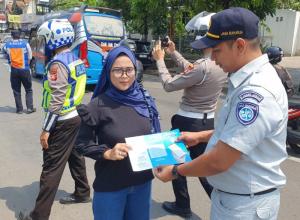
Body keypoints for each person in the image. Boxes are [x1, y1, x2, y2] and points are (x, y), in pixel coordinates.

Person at [155, 7, 288, 220]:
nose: (213, 59)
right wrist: (199, 136)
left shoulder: (255, 92)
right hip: (239, 199)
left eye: (216, 51)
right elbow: (236, 131)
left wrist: (175, 171)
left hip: (243, 205)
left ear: (239, 45)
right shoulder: (245, 78)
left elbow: (219, 161)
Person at [74, 45, 160, 220]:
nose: (124, 76)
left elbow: (155, 135)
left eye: (129, 70)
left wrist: (166, 156)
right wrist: (107, 152)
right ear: (108, 72)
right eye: (118, 70)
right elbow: (81, 143)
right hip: (110, 187)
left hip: (142, 184)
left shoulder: (144, 99)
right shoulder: (98, 105)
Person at [19, 19, 90, 220]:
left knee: (51, 169)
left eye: (44, 38)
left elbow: (56, 101)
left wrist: (46, 129)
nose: (43, 42)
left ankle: (38, 216)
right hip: (74, 116)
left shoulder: (57, 65)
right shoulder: (74, 58)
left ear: (53, 39)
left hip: (61, 121)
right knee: (76, 156)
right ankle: (83, 192)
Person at [152, 38, 227, 218]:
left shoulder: (202, 66)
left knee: (177, 163)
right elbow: (191, 70)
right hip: (206, 122)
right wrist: (173, 52)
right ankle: (221, 206)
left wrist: (159, 60)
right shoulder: (221, 64)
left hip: (187, 122)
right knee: (203, 167)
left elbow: (169, 85)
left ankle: (182, 204)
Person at [4, 29, 35, 114]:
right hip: (24, 69)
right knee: (28, 89)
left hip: (14, 71)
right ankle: (29, 108)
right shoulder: (25, 44)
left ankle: (19, 109)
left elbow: (5, 54)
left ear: (11, 36)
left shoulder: (7, 45)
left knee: (16, 90)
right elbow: (30, 56)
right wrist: (26, 65)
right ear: (20, 35)